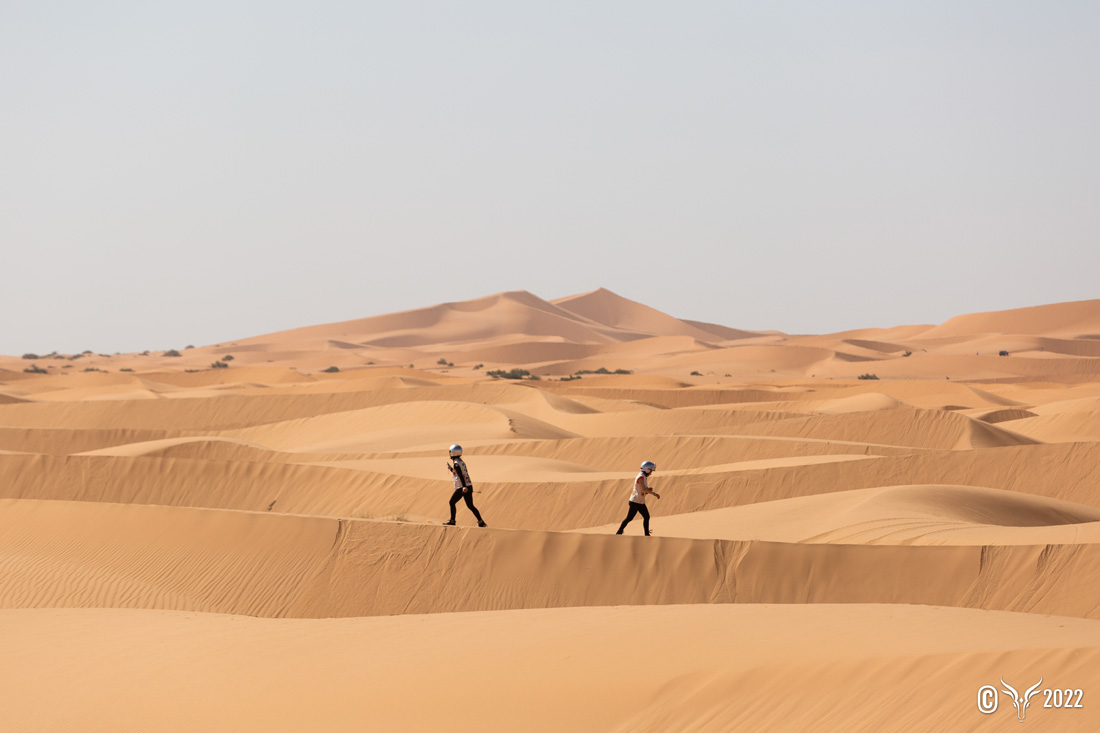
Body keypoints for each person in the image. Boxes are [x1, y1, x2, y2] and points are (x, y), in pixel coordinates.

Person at [443, 444, 487, 527]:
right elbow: (459, 472)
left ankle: (452, 521)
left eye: (450, 452)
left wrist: (464, 487)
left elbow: (460, 475)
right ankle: (481, 522)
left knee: (451, 502)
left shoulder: (456, 463)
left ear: (453, 453)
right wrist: (451, 469)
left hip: (462, 487)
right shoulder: (461, 462)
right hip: (468, 485)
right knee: (470, 505)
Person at [616, 460, 660, 536]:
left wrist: (648, 490)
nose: (651, 473)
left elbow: (642, 489)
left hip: (640, 501)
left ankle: (647, 534)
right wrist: (654, 493)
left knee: (646, 516)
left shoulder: (643, 477)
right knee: (629, 518)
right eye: (651, 471)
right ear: (647, 470)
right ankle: (619, 532)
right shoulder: (641, 477)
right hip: (635, 502)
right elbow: (643, 489)